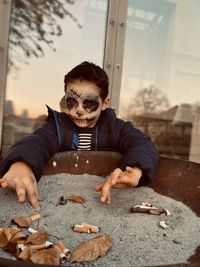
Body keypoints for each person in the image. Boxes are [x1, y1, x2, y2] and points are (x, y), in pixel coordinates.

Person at [0, 61, 159, 210]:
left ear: (104, 103)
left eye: (89, 103)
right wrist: (22, 163)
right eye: (72, 102)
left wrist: (135, 170)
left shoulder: (114, 127)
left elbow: (142, 144)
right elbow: (37, 141)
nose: (79, 110)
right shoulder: (59, 127)